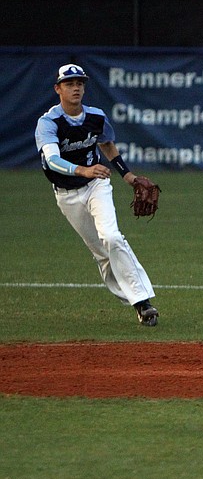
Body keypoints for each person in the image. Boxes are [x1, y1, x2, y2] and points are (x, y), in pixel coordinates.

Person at [34, 63, 159, 326]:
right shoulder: (49, 123)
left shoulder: (96, 116)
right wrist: (83, 170)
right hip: (67, 194)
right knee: (101, 253)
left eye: (80, 83)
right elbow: (52, 159)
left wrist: (128, 175)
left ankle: (142, 302)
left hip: (97, 185)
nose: (76, 87)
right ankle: (134, 299)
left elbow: (107, 143)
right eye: (69, 84)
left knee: (112, 237)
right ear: (58, 89)